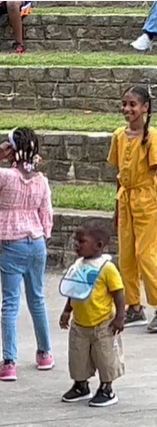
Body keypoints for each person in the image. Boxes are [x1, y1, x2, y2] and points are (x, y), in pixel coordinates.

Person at [0, 128, 55, 382]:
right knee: (37, 298)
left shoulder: (4, 176)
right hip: (37, 243)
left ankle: (9, 362)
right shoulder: (41, 181)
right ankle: (45, 353)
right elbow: (46, 214)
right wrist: (43, 234)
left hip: (12, 244)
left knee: (10, 302)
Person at [59, 220, 125, 408]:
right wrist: (67, 310)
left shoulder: (107, 268)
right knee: (78, 357)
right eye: (76, 241)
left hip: (103, 324)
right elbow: (74, 289)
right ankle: (81, 385)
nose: (77, 245)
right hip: (80, 323)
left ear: (98, 245)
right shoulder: (78, 265)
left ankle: (107, 388)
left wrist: (120, 317)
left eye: (82, 241)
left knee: (105, 358)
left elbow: (118, 294)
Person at [109, 85, 157, 331]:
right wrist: (117, 206)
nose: (127, 109)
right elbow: (120, 174)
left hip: (148, 200)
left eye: (132, 105)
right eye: (124, 104)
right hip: (126, 200)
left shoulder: (153, 137)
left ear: (145, 108)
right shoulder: (119, 136)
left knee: (146, 254)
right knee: (126, 256)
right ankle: (134, 306)